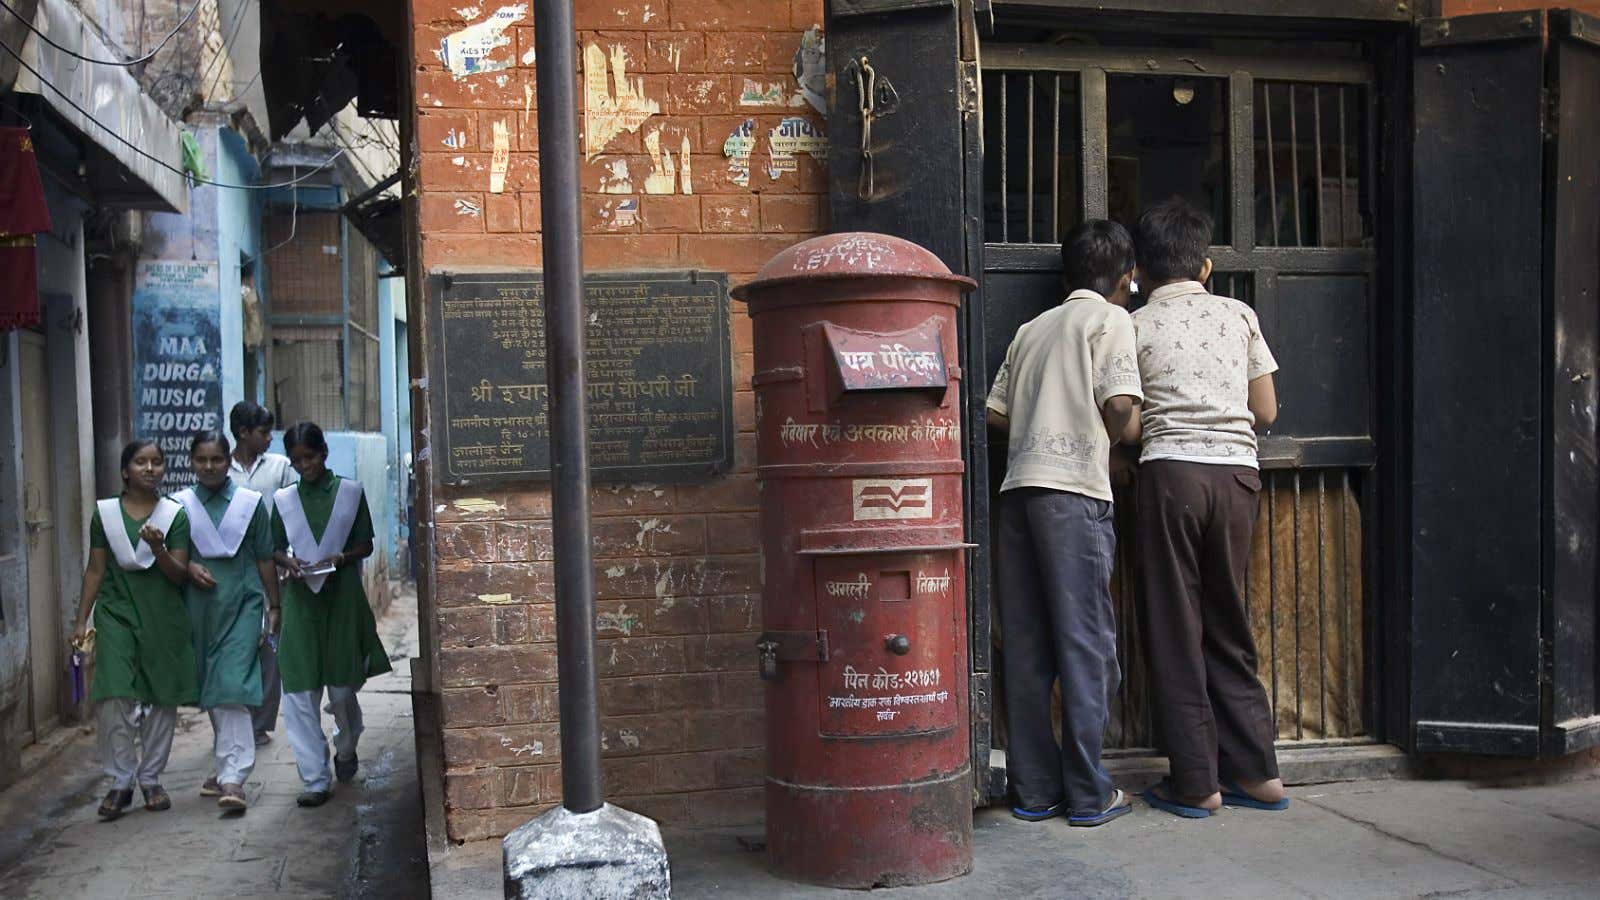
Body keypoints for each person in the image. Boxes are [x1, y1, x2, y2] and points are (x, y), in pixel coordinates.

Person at [1127, 197, 1286, 818]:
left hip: (1171, 475)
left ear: (1140, 269)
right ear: (1207, 267)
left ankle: (1197, 782)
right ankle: (1259, 774)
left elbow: (1131, 422)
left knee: (1175, 626)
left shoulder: (1133, 326)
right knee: (1229, 623)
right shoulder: (1239, 315)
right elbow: (1266, 411)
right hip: (1238, 478)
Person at [985, 219, 1143, 827]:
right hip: (1074, 494)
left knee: (1027, 647)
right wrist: (1121, 434)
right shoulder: (1111, 320)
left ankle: (1033, 790)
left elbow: (996, 415)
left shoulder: (1031, 329)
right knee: (1086, 643)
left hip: (1018, 493)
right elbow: (1120, 407)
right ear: (1124, 279)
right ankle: (1088, 792)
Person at [70, 440, 197, 821]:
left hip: (162, 615)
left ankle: (151, 777)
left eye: (157, 462)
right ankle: (120, 779)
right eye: (140, 462)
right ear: (125, 471)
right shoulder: (104, 515)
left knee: (162, 697)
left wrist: (158, 550)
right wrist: (81, 619)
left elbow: (178, 575)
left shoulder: (175, 515)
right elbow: (95, 570)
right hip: (116, 613)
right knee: (113, 694)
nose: (150, 469)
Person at [271, 422, 391, 807]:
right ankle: (315, 779)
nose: (304, 465)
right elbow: (273, 547)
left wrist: (342, 557)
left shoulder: (349, 493)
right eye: (297, 460)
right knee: (300, 692)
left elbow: (366, 544)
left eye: (310, 457)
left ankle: (347, 742)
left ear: (324, 453)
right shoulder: (284, 500)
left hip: (341, 599)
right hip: (301, 602)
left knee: (342, 689)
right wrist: (288, 562)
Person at [176, 430, 281, 812]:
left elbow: (265, 557)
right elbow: (171, 558)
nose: (208, 466)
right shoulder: (179, 506)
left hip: (242, 604)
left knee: (232, 686)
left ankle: (235, 777)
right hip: (199, 610)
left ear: (228, 461)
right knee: (214, 688)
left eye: (216, 459)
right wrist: (187, 566)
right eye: (201, 459)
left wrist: (275, 605)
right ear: (191, 461)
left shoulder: (250, 504)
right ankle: (224, 766)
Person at [228, 401, 296, 746]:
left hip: (272, 565)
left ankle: (260, 723)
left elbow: (291, 513)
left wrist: (289, 559)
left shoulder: (281, 468)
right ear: (243, 433)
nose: (270, 438)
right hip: (233, 569)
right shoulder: (222, 471)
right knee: (239, 645)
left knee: (271, 645)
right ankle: (237, 717)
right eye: (264, 432)